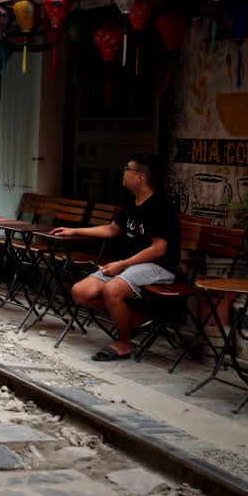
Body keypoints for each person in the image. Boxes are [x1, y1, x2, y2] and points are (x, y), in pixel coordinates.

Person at [58, 153, 180, 362]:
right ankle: (136, 317)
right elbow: (112, 230)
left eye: (127, 169)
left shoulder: (160, 205)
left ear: (140, 177)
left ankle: (124, 344)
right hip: (132, 263)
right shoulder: (133, 202)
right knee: (81, 292)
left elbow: (159, 249)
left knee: (111, 289)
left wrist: (121, 265)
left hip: (158, 266)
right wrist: (74, 231)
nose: (123, 173)